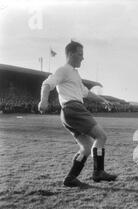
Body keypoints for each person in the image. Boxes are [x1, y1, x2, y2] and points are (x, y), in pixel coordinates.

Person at [38, 40, 117, 188]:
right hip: (74, 109)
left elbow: (86, 92)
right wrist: (43, 100)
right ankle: (98, 172)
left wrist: (103, 100)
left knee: (86, 148)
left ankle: (70, 178)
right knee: (101, 136)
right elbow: (47, 84)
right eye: (80, 54)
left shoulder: (74, 74)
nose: (83, 58)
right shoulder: (64, 70)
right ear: (71, 54)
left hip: (68, 114)